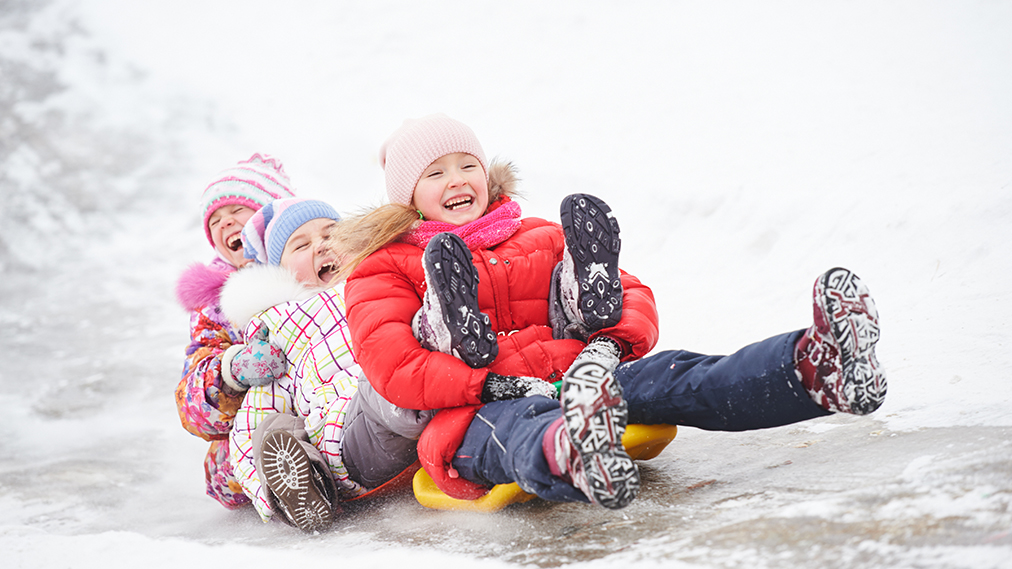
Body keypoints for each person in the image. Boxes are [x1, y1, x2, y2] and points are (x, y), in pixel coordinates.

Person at [338, 114, 888, 511]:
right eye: (435, 174)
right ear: (407, 197)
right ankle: (573, 445)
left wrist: (607, 346)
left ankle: (817, 369)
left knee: (675, 374)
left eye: (467, 165)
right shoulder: (383, 268)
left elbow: (637, 293)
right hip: (471, 411)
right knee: (518, 428)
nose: (457, 179)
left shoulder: (541, 236)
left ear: (487, 174)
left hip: (581, 376)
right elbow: (394, 368)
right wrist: (490, 386)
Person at [221, 197, 435, 532]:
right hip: (349, 440)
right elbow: (249, 428)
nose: (321, 246)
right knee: (272, 430)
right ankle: (301, 488)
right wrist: (268, 497)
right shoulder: (278, 333)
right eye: (301, 245)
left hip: (414, 379)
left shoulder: (383, 281)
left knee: (418, 342)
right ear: (280, 274)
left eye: (331, 233)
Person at [174, 153, 296, 509]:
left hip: (323, 403)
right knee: (235, 457)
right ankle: (291, 480)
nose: (225, 223)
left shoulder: (313, 266)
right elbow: (191, 406)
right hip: (258, 424)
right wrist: (231, 372)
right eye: (215, 220)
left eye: (237, 212)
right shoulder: (214, 308)